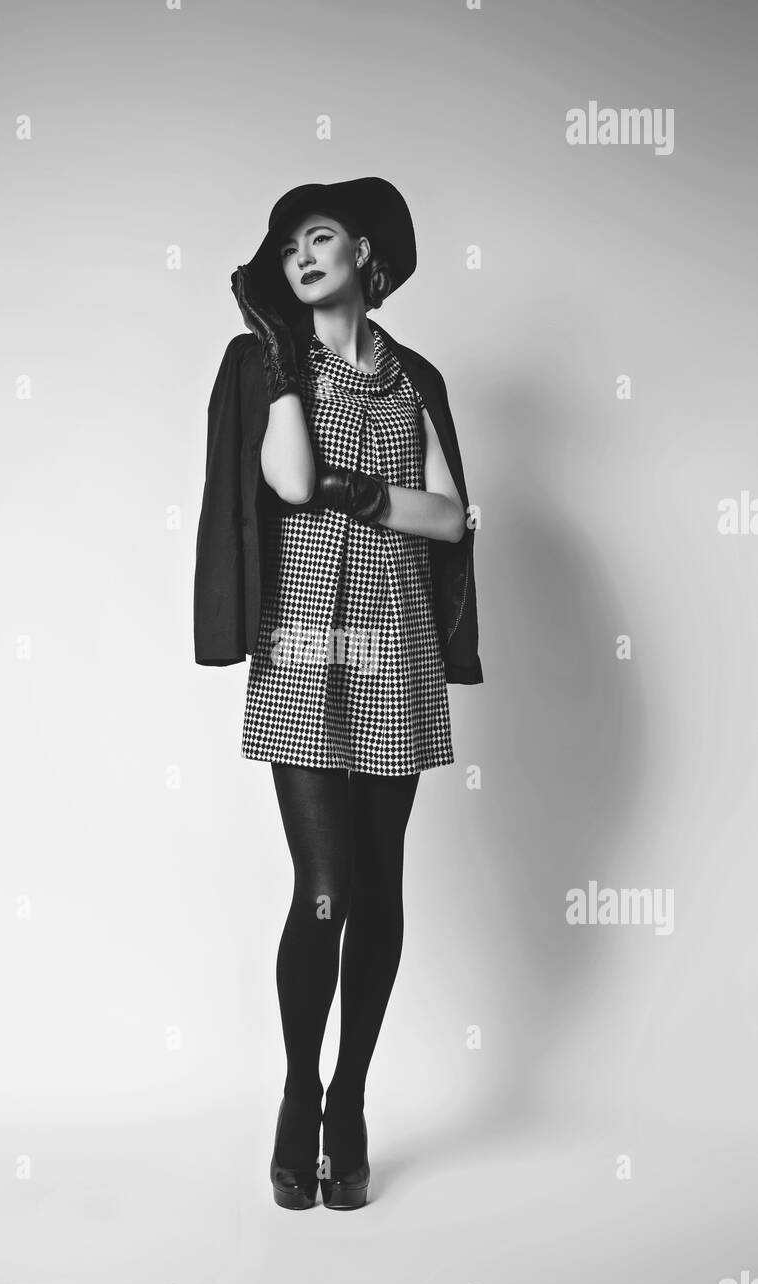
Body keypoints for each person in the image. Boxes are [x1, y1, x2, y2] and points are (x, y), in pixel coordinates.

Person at [195, 177, 482, 1210]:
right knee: (323, 887)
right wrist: (277, 359)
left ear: (365, 252)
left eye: (316, 238)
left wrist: (365, 495)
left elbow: (451, 518)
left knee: (380, 886)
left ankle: (350, 1096)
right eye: (284, 249)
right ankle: (295, 1090)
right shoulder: (263, 364)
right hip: (307, 643)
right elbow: (284, 480)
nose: (298, 256)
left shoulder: (415, 380)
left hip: (396, 643)